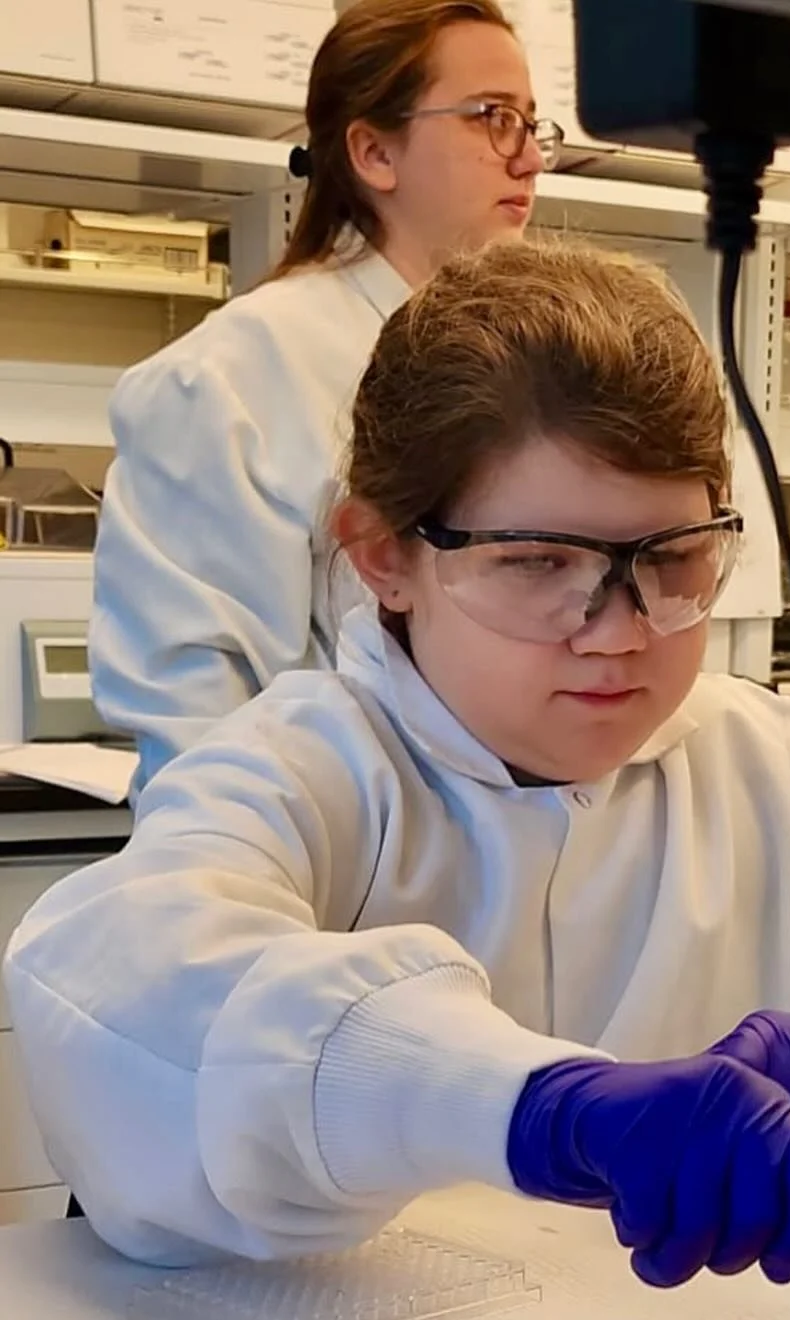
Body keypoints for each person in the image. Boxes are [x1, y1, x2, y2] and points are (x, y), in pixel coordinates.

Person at [4, 240, 790, 1274]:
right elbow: (127, 1002)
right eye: (537, 564)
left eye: (672, 560)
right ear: (382, 555)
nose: (618, 631)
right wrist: (536, 1110)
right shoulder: (302, 769)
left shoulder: (768, 760)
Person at [90, 0, 559, 795]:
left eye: (531, 124)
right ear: (374, 152)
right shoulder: (229, 380)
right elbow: (197, 733)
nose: (530, 160)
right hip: (325, 852)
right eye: (493, 118)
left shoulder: (526, 369)